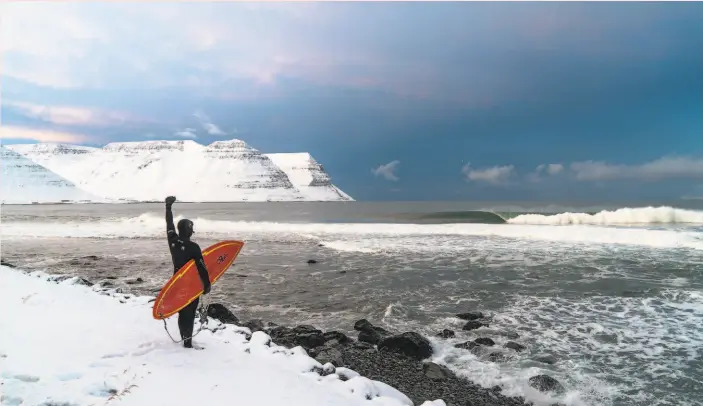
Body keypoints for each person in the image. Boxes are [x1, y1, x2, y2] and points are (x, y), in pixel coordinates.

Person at [164, 195, 211, 349]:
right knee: (190, 313)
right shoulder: (194, 247)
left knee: (181, 312)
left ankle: (184, 337)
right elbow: (201, 268)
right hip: (191, 285)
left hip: (177, 282)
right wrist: (207, 285)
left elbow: (169, 223)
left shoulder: (173, 241)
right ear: (189, 230)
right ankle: (187, 343)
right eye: (192, 228)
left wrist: (168, 207)